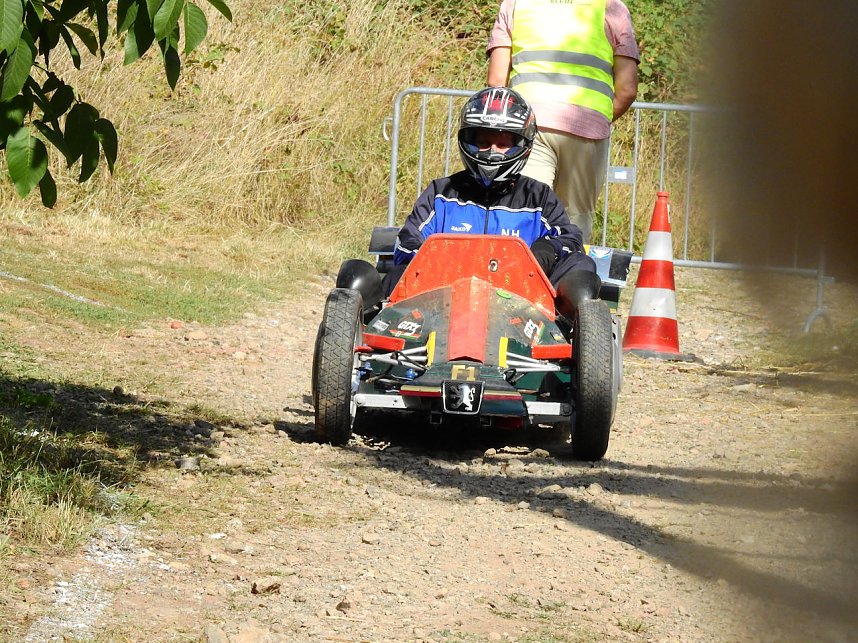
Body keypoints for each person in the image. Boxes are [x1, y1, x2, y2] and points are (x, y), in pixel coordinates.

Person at [385, 87, 600, 320]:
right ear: (467, 141)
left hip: (523, 306)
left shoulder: (539, 197)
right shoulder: (442, 193)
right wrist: (437, 262)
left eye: (502, 143)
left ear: (523, 144)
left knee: (581, 266)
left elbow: (570, 239)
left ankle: (563, 333)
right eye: (484, 142)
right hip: (442, 303)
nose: (492, 152)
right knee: (389, 275)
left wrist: (546, 251)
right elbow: (408, 240)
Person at [486, 0, 639, 243]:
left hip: (528, 126)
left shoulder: (516, 4)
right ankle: (568, 275)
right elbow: (628, 89)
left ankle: (514, 277)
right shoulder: (612, 7)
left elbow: (496, 81)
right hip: (587, 127)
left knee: (524, 209)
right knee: (575, 218)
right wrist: (599, 119)